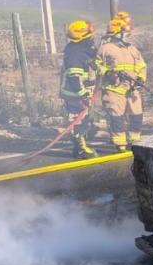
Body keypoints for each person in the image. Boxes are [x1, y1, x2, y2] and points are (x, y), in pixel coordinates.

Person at [96, 18, 147, 152]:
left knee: (137, 114)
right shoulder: (105, 49)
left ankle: (134, 140)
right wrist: (107, 73)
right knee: (116, 116)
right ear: (118, 34)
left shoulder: (133, 49)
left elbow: (142, 65)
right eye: (127, 33)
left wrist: (141, 78)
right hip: (114, 89)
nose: (130, 36)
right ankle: (120, 143)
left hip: (132, 89)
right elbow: (96, 65)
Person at [59, 20, 98, 159]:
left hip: (81, 93)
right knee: (78, 121)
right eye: (90, 34)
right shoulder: (75, 53)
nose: (92, 37)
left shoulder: (81, 50)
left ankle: (80, 147)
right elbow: (74, 77)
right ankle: (81, 149)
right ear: (83, 36)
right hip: (75, 94)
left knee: (83, 120)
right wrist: (83, 95)